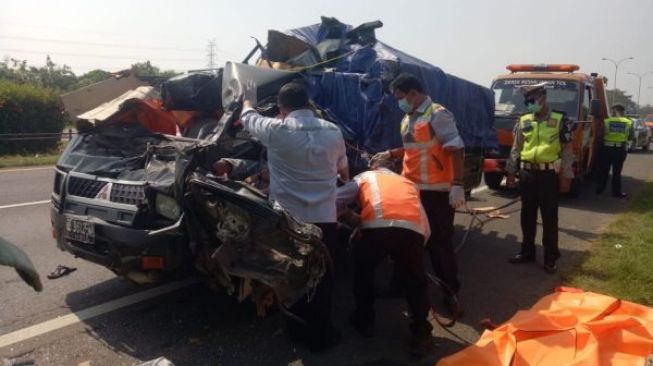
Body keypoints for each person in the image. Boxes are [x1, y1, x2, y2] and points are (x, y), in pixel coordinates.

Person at [239, 80, 349, 352]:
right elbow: (344, 175)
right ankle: (321, 336)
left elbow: (247, 117)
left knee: (289, 278)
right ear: (308, 103)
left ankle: (295, 331)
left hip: (287, 223)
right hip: (324, 222)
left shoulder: (276, 129)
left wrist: (248, 99)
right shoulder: (333, 132)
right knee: (321, 280)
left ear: (282, 107)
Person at [372, 73, 466, 316]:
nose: (399, 102)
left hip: (436, 193)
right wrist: (390, 154)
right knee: (405, 241)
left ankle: (451, 294)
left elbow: (456, 148)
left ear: (413, 92)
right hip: (411, 190)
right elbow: (412, 149)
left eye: (400, 97)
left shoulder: (437, 113)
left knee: (439, 245)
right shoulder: (408, 118)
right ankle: (399, 286)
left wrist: (458, 184)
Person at [337, 158, 433, 357]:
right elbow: (424, 223)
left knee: (364, 271)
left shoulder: (364, 177)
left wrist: (351, 218)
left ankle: (365, 322)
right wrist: (411, 255)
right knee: (416, 283)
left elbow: (335, 199)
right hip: (413, 231)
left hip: (376, 230)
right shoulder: (409, 183)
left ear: (374, 167)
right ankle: (421, 334)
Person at [505, 82, 574, 274]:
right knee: (527, 216)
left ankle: (550, 257)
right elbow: (516, 148)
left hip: (548, 175)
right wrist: (511, 172)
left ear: (544, 97)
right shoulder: (524, 120)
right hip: (527, 174)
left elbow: (568, 150)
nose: (530, 104)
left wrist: (566, 176)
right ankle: (527, 252)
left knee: (549, 218)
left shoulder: (560, 119)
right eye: (527, 101)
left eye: (533, 100)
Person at [596, 104, 633, 198]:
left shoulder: (607, 121)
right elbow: (630, 137)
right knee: (617, 172)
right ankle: (616, 193)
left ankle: (600, 189)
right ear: (623, 111)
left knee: (604, 170)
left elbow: (600, 135)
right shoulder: (628, 122)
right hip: (620, 150)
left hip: (606, 149)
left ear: (614, 111)